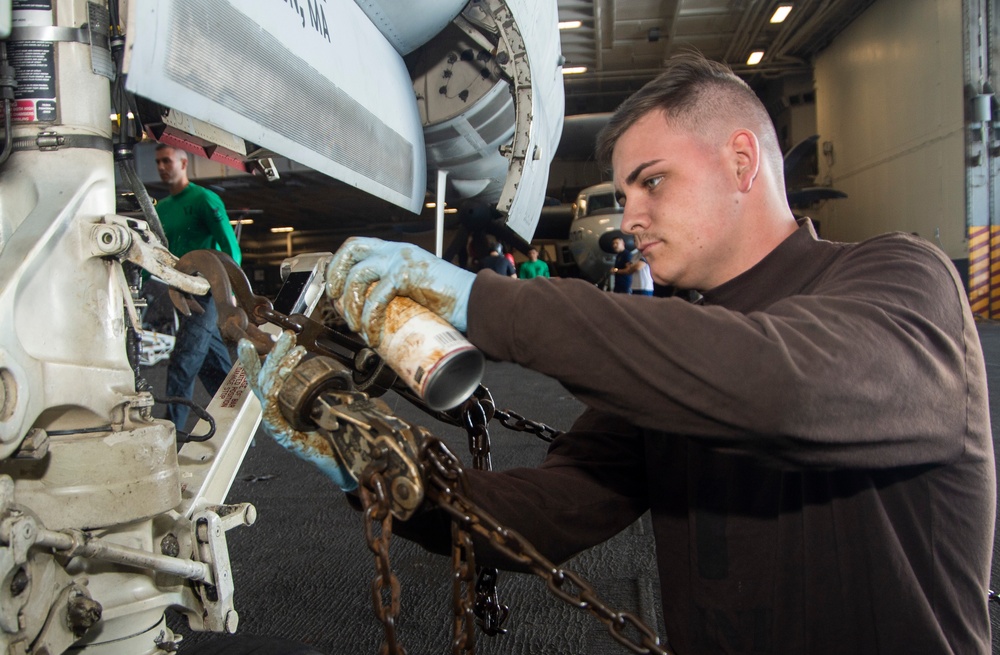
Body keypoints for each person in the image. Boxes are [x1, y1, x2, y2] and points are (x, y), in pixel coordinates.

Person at [240, 52, 994, 654]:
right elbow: (537, 517)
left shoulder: (898, 280)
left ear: (742, 162)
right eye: (621, 194)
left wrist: (483, 301)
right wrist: (360, 454)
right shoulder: (673, 358)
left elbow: (792, 385)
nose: (628, 219)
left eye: (652, 182)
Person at [154, 143, 242, 434]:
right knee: (210, 364)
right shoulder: (162, 209)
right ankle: (236, 424)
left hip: (207, 292)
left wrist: (227, 293)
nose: (162, 167)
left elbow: (230, 248)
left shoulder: (205, 199)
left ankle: (172, 436)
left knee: (183, 361)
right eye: (158, 162)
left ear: (183, 163)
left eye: (167, 161)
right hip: (180, 290)